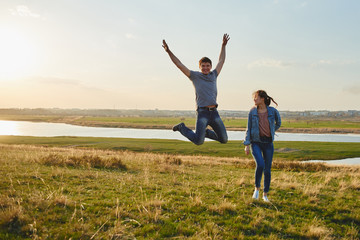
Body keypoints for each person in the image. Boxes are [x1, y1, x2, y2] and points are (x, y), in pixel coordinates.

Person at [162, 34, 230, 145]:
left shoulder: (214, 75)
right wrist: (168, 51)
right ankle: (182, 127)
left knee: (224, 139)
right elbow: (179, 64)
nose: (205, 68)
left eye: (208, 65)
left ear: (210, 66)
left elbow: (221, 60)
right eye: (203, 66)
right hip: (202, 112)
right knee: (199, 141)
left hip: (214, 112)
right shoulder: (194, 76)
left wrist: (223, 45)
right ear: (199, 67)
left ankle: (206, 133)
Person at [244, 90, 281, 202]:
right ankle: (257, 189)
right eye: (254, 98)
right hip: (256, 142)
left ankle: (265, 195)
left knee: (267, 169)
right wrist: (246, 144)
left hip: (268, 143)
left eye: (256, 98)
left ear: (262, 99)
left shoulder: (273, 111)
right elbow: (248, 128)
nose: (254, 100)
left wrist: (271, 130)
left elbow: (278, 123)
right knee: (260, 164)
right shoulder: (252, 112)